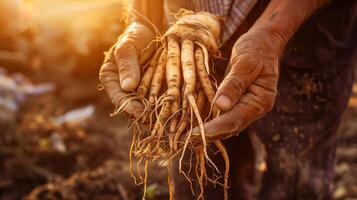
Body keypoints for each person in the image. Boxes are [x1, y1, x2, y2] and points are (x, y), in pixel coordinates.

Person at [99, 0, 357, 199]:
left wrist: (273, 32)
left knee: (297, 173)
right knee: (195, 165)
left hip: (303, 19)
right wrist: (142, 19)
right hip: (184, 19)